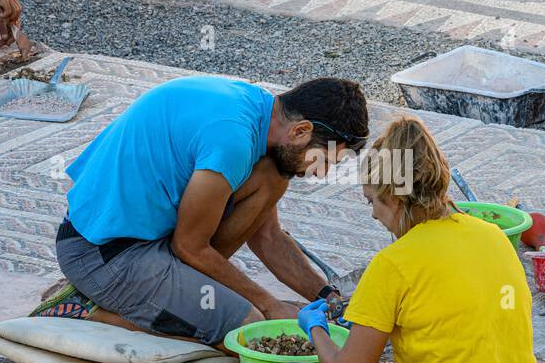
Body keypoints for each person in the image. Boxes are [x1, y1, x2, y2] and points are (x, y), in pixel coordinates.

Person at [269, 116, 545, 363]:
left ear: (397, 198)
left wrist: (316, 330)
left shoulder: (393, 264)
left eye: (374, 202)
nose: (373, 214)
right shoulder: (495, 238)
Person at [44, 75, 369, 347]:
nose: (320, 173)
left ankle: (175, 296)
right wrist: (268, 305)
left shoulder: (259, 111)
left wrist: (328, 297)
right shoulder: (233, 140)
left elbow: (268, 236)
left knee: (273, 177)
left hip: (149, 240)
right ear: (300, 131)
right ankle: (91, 312)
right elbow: (189, 246)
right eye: (323, 160)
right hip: (101, 253)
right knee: (248, 331)